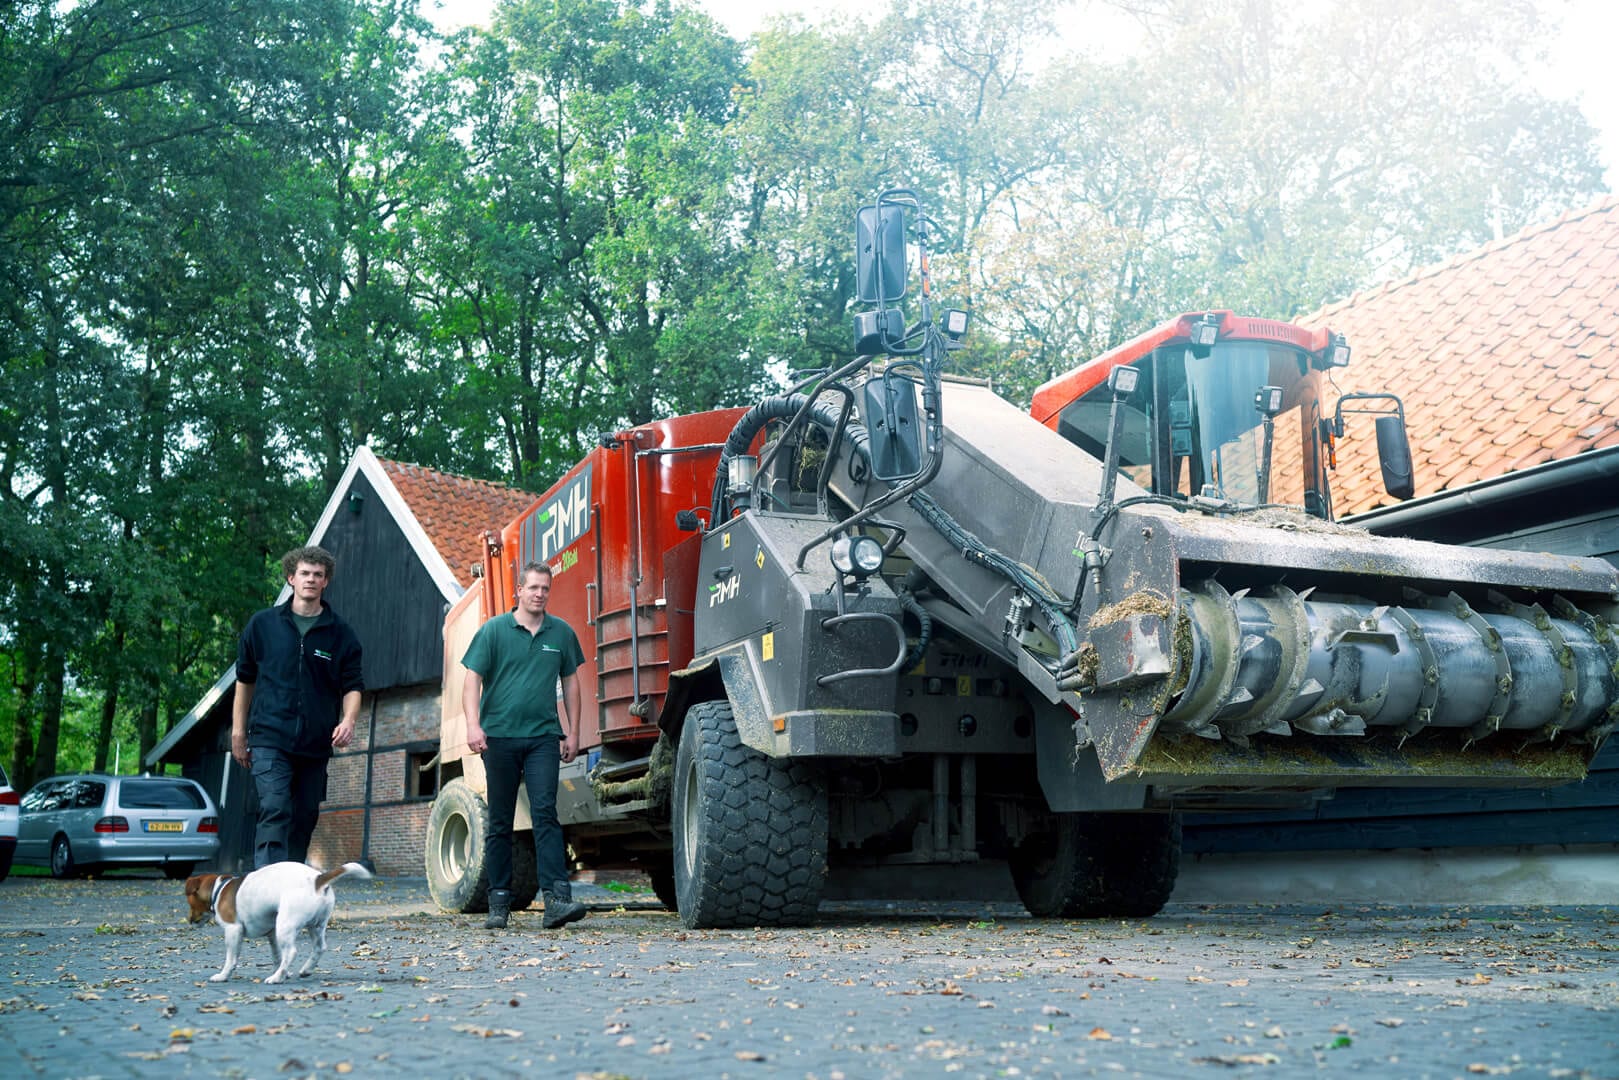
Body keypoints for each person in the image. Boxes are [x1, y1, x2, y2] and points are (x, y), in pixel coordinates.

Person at [461, 561, 588, 930]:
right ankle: (498, 901)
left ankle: (557, 901)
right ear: (519, 590)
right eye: (533, 588)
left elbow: (572, 684)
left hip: (543, 737)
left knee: (546, 812)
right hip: (498, 737)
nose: (539, 594)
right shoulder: (494, 631)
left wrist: (574, 731)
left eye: (545, 589)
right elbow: (472, 680)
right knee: (500, 819)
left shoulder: (560, 633)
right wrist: (473, 725)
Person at [233, 545, 363, 869]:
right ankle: (266, 889)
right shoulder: (262, 626)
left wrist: (348, 720)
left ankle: (289, 888)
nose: (311, 579)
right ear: (291, 578)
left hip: (315, 743)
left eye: (318, 575)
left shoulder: (341, 635)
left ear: (326, 582)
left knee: (304, 815)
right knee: (276, 807)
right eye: (304, 573)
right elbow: (244, 680)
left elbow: (353, 686)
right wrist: (238, 732)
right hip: (269, 737)